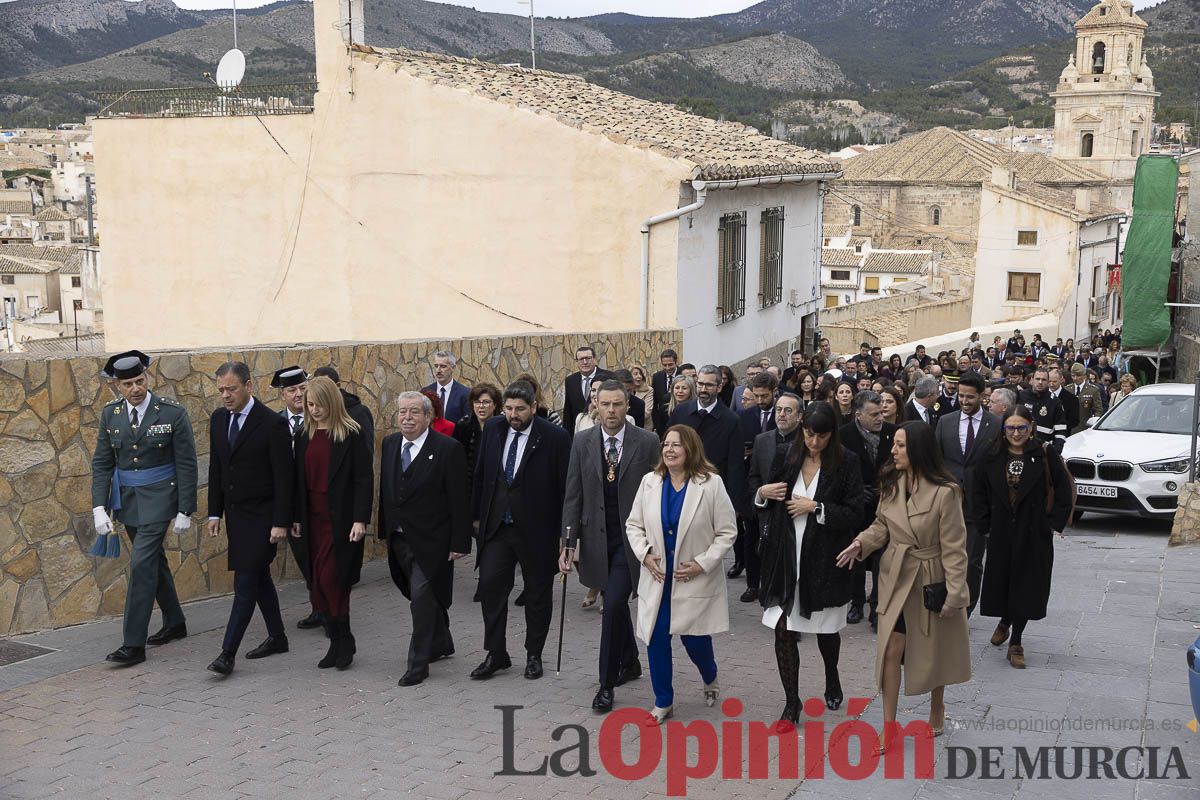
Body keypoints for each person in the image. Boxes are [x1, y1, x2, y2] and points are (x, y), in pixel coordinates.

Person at [836, 422, 970, 750]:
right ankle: (889, 724)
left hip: (930, 577)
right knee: (890, 652)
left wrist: (955, 593)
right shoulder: (893, 482)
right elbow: (882, 524)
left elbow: (955, 547)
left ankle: (937, 707)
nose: (892, 451)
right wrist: (861, 543)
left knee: (934, 649)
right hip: (896, 578)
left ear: (918, 450)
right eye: (894, 444)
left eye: (900, 446)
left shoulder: (946, 491)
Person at [757, 402, 864, 724]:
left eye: (821, 436)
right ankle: (792, 703)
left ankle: (832, 676)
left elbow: (856, 511)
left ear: (832, 434)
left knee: (826, 630)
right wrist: (762, 493)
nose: (814, 442)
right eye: (809, 434)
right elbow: (766, 502)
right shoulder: (786, 454)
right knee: (782, 629)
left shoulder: (847, 463)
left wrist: (817, 507)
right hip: (785, 558)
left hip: (824, 561)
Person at [92, 351, 198, 667]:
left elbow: (186, 463)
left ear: (147, 379)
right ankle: (175, 621)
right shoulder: (110, 415)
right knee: (155, 561)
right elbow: (102, 462)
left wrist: (185, 509)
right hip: (127, 501)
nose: (136, 388)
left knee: (140, 565)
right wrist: (99, 506)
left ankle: (133, 644)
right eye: (128, 384)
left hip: (161, 499)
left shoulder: (171, 413)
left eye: (140, 381)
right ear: (117, 386)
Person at [626, 425, 737, 724]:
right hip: (658, 578)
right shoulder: (650, 482)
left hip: (693, 577)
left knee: (694, 640)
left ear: (691, 449)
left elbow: (727, 532)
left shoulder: (711, 484)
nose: (670, 450)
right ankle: (663, 701)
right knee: (655, 638)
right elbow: (633, 525)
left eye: (677, 445)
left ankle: (710, 675)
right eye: (666, 445)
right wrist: (645, 554)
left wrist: (703, 563)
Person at [560, 380, 659, 712]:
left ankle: (606, 684)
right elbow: (573, 494)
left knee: (614, 603)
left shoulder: (647, 442)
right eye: (606, 405)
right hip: (596, 539)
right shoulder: (582, 441)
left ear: (627, 406)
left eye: (618, 404)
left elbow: (659, 492)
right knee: (614, 603)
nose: (612, 411)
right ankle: (630, 661)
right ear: (596, 406)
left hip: (632, 540)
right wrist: (568, 542)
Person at [471, 381, 571, 680]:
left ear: (533, 407)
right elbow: (481, 474)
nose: (513, 415)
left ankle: (534, 654)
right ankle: (496, 653)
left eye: (520, 409)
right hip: (498, 527)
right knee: (490, 588)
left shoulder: (554, 437)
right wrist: (476, 517)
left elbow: (566, 488)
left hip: (538, 529)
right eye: (509, 409)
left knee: (538, 594)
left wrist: (565, 536)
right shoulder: (493, 429)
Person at [206, 362, 294, 676]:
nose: (225, 395)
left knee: (245, 581)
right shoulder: (218, 419)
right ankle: (278, 637)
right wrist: (214, 511)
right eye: (221, 390)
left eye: (231, 389)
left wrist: (281, 521)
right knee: (259, 578)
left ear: (248, 386)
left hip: (264, 517)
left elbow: (285, 478)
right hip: (237, 517)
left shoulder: (271, 424)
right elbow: (217, 467)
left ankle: (227, 654)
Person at [379, 391, 471, 686]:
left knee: (420, 600)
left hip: (434, 540)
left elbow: (459, 500)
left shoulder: (447, 449)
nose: (407, 418)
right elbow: (387, 491)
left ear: (428, 417)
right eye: (402, 412)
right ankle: (442, 640)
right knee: (418, 594)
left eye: (414, 413)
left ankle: (418, 663)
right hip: (400, 539)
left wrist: (459, 543)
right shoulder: (391, 444)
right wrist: (385, 529)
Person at [973, 405, 1071, 670]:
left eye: (1022, 428)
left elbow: (1063, 490)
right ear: (1003, 430)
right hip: (1002, 530)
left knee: (1027, 585)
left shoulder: (1044, 453)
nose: (1016, 433)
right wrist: (985, 524)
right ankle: (1005, 619)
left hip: (1033, 531)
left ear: (1031, 428)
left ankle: (1016, 640)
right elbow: (978, 491)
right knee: (1006, 581)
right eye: (1010, 428)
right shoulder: (991, 455)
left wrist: (1051, 524)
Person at [293, 376, 373, 670]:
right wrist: (296, 518)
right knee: (317, 585)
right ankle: (339, 641)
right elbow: (297, 482)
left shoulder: (350, 434)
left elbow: (364, 479)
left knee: (333, 580)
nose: (314, 410)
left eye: (319, 404)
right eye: (309, 404)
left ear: (332, 402)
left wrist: (360, 519)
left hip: (340, 521)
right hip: (311, 519)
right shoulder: (303, 436)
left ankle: (343, 637)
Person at [934, 371, 999, 617]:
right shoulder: (945, 422)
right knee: (944, 556)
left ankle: (966, 609)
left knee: (972, 562)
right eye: (961, 396)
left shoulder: (995, 424)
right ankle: (942, 600)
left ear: (982, 396)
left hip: (979, 506)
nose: (964, 401)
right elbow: (936, 461)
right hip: (948, 504)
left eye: (970, 397)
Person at [839, 391, 896, 630]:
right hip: (856, 505)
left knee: (882, 557)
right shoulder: (844, 435)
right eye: (873, 414)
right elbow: (837, 470)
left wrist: (887, 489)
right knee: (856, 555)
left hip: (885, 504)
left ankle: (876, 606)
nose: (879, 418)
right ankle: (856, 601)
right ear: (858, 414)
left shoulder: (893, 434)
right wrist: (854, 491)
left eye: (881, 413)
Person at [271, 366, 322, 631]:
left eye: (303, 388)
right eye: (292, 390)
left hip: (318, 500)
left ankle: (327, 607)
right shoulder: (275, 423)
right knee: (304, 557)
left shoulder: (319, 419)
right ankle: (318, 605)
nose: (299, 394)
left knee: (323, 557)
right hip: (292, 504)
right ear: (283, 395)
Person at [668, 365, 746, 527]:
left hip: (711, 494)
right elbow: (667, 450)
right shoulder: (680, 412)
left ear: (719, 387)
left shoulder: (731, 420)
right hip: (678, 488)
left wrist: (733, 505)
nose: (703, 389)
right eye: (700, 384)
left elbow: (735, 466)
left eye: (709, 385)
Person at [732, 372, 779, 600]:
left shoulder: (783, 414)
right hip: (752, 484)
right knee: (750, 536)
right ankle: (753, 583)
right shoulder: (744, 417)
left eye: (765, 396)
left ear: (774, 392)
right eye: (757, 396)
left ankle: (773, 583)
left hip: (777, 484)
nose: (760, 400)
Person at [311, 366, 375, 457]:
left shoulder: (358, 413)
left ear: (337, 386)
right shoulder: (313, 412)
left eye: (327, 387)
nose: (322, 392)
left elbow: (366, 452)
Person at [453, 383, 502, 500]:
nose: (481, 406)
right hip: (469, 486)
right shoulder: (462, 426)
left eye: (486, 402)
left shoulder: (502, 427)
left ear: (495, 404)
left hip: (495, 487)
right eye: (477, 402)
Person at [563, 345, 613, 436]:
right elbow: (568, 411)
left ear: (594, 359)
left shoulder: (609, 377)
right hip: (581, 430)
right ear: (577, 362)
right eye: (581, 359)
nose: (585, 362)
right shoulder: (570, 381)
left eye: (588, 358)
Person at [1018, 367, 1067, 452]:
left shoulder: (1054, 402)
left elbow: (1061, 429)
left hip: (1043, 450)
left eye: (1043, 380)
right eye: (1037, 379)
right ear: (1032, 380)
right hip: (1020, 446)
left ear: (1048, 382)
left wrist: (1057, 450)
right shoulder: (1021, 396)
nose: (1040, 382)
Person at [422, 351, 470, 425]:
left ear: (453, 368)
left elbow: (467, 423)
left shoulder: (465, 393)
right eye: (436, 366)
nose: (438, 370)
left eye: (443, 366)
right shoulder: (425, 392)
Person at [651, 348, 680, 438]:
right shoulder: (657, 377)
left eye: (670, 364)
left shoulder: (682, 375)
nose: (668, 368)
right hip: (662, 425)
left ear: (676, 362)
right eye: (664, 365)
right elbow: (655, 403)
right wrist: (656, 424)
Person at [1066, 363, 1103, 431]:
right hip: (1069, 429)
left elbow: (1098, 410)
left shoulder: (1093, 390)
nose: (1075, 378)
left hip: (1085, 429)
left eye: (1078, 375)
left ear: (1084, 376)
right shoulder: (1067, 389)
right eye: (1073, 376)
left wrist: (1093, 422)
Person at [1047, 368, 1079, 437]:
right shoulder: (1041, 395)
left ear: (1061, 380)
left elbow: (1074, 420)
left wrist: (1058, 428)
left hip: (1063, 436)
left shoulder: (1072, 399)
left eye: (1054, 381)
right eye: (1049, 381)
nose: (1051, 384)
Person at [629, 365, 655, 432]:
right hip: (628, 425)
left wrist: (631, 418)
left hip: (644, 426)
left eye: (640, 374)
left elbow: (647, 411)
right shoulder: (627, 390)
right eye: (635, 374)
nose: (639, 376)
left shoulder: (649, 390)